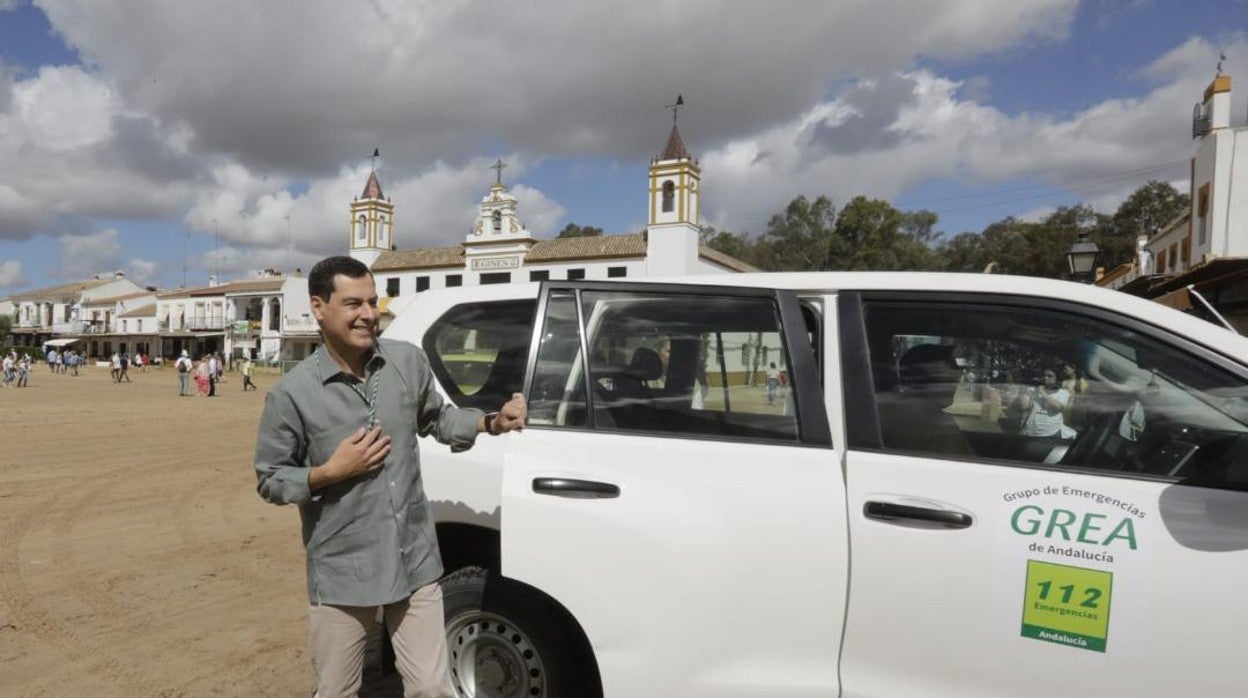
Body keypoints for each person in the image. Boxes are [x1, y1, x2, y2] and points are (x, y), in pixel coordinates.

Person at [253, 256, 526, 698]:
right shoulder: (292, 394)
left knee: (431, 688)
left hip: (414, 559)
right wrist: (330, 472)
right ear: (319, 307)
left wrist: (493, 422)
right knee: (337, 690)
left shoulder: (407, 361)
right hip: (345, 569)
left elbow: (437, 419)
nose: (368, 314)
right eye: (353, 303)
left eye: (372, 302)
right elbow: (270, 479)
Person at [1015, 367, 1075, 439]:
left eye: (1050, 376)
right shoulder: (1033, 390)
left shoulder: (1063, 393)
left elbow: (1058, 407)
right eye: (1044, 375)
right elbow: (1023, 407)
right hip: (1030, 432)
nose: (1045, 378)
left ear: (1057, 378)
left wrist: (1043, 394)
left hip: (1051, 433)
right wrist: (1024, 389)